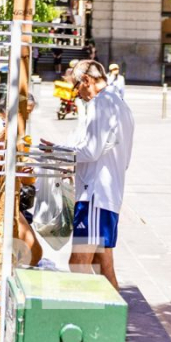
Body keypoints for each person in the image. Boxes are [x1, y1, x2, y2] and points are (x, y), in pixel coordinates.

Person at [55, 59, 135, 290]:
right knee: (103, 266)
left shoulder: (101, 104)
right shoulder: (120, 103)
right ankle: (111, 309)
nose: (77, 93)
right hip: (107, 194)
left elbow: (91, 150)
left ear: (87, 80)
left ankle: (87, 310)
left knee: (78, 262)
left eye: (76, 86)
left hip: (95, 195)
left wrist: (58, 153)